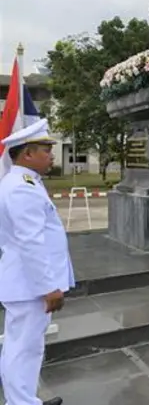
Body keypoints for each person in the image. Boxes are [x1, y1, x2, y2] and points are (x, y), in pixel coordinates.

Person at [0, 119, 73, 405]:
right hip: (29, 284)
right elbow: (30, 241)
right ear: (27, 153)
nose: (52, 154)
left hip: (26, 281)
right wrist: (49, 287)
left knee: (25, 346)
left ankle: (24, 400)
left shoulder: (24, 182)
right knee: (23, 348)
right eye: (46, 148)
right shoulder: (21, 187)